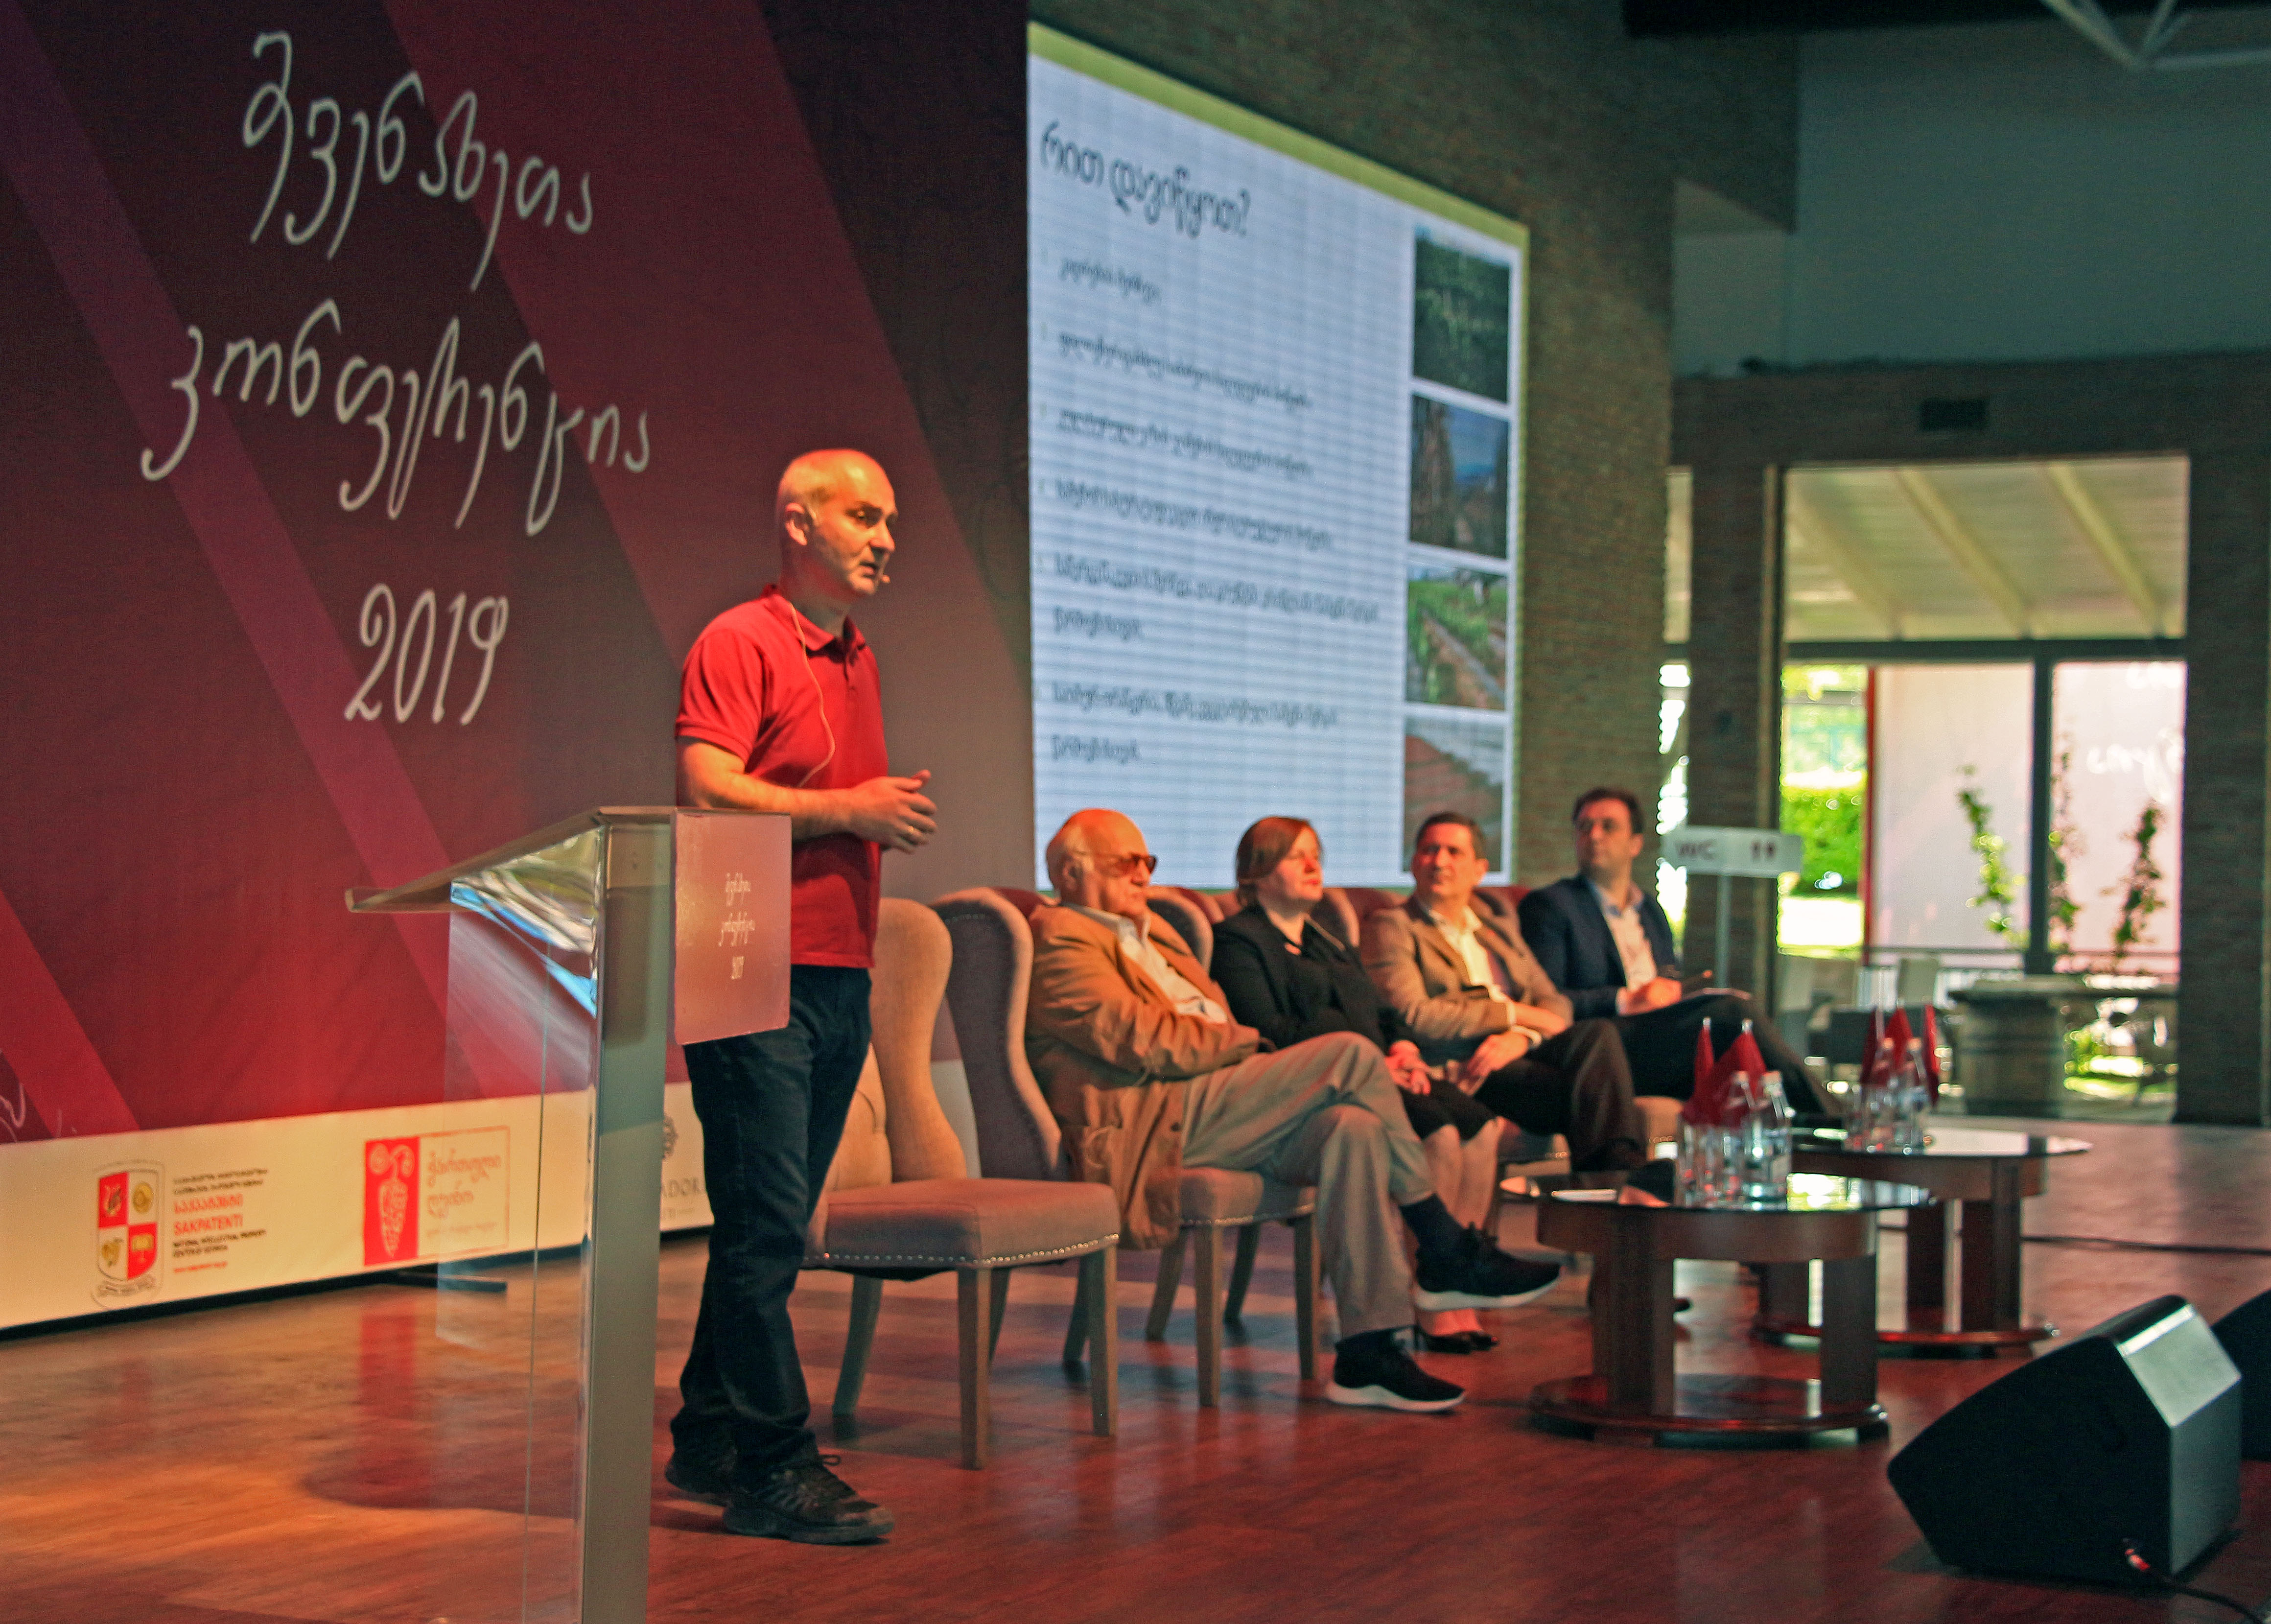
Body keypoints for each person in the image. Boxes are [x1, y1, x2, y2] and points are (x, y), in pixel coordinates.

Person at [1026, 809, 1562, 1413]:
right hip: (1154, 1117)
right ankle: (1444, 1249)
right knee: (1350, 1054)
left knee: (1353, 1129)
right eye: (1126, 861)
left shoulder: (1157, 934)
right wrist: (1245, 1042)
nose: (1143, 874)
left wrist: (1233, 1043)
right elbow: (1146, 1041)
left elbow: (1202, 1022)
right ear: (1071, 872)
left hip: (1216, 1096)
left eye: (1147, 861)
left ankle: (1368, 1351)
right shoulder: (1063, 937)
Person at [663, 449, 936, 1544]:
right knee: (766, 1228)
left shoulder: (858, 654)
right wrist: (849, 810)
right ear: (797, 521)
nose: (885, 538)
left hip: (834, 970)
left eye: (890, 520)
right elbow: (704, 786)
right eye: (863, 516)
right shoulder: (740, 638)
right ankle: (774, 1464)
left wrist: (856, 817)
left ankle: (709, 1431)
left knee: (763, 1228)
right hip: (746, 960)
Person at [1210, 817, 1502, 1353]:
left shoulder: (1326, 939)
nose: (1313, 865)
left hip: (1380, 1069)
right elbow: (1267, 1031)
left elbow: (1382, 1012)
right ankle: (1427, 1296)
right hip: (1322, 1086)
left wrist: (1403, 1048)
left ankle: (1455, 1286)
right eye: (1296, 855)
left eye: (1315, 854)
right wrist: (1368, 1062)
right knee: (1438, 1134)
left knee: (1480, 1127)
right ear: (1257, 871)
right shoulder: (1238, 940)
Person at [1359, 811, 1665, 1187]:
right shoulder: (1392, 926)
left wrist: (1521, 1037)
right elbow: (1415, 1015)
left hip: (1517, 1053)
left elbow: (1554, 1004)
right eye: (1428, 850)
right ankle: (1618, 1180)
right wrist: (1512, 1013)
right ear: (1412, 863)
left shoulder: (1495, 928)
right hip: (1468, 1063)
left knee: (1597, 1034)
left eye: (1453, 852)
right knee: (1588, 1090)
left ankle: (1610, 1182)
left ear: (1479, 870)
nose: (1439, 861)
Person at [1518, 787, 1826, 1114]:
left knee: (1734, 1031)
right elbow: (1547, 998)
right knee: (1732, 1013)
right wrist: (1626, 999)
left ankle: (1782, 1128)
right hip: (1603, 1039)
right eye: (1584, 827)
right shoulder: (1551, 906)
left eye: (1608, 826)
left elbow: (1668, 976)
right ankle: (1827, 1118)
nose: (1594, 835)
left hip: (1660, 1036)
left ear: (1635, 844)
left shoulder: (1650, 911)